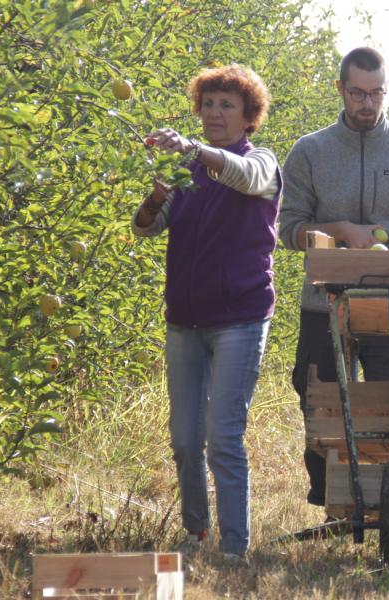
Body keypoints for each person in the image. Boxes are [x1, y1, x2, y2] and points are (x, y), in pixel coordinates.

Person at [278, 47, 389, 507]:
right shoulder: (310, 152)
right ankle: (332, 498)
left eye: (376, 93)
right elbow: (288, 229)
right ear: (340, 90)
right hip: (325, 300)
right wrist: (339, 232)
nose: (367, 104)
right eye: (357, 93)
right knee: (320, 399)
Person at [131, 64, 281, 562]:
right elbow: (146, 229)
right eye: (209, 104)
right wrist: (156, 196)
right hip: (186, 319)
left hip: (240, 316)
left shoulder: (260, 162)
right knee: (184, 440)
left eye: (227, 105)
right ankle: (196, 533)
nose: (215, 113)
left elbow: (242, 176)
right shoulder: (187, 171)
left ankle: (235, 550)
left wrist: (196, 151)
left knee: (223, 439)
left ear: (248, 116)